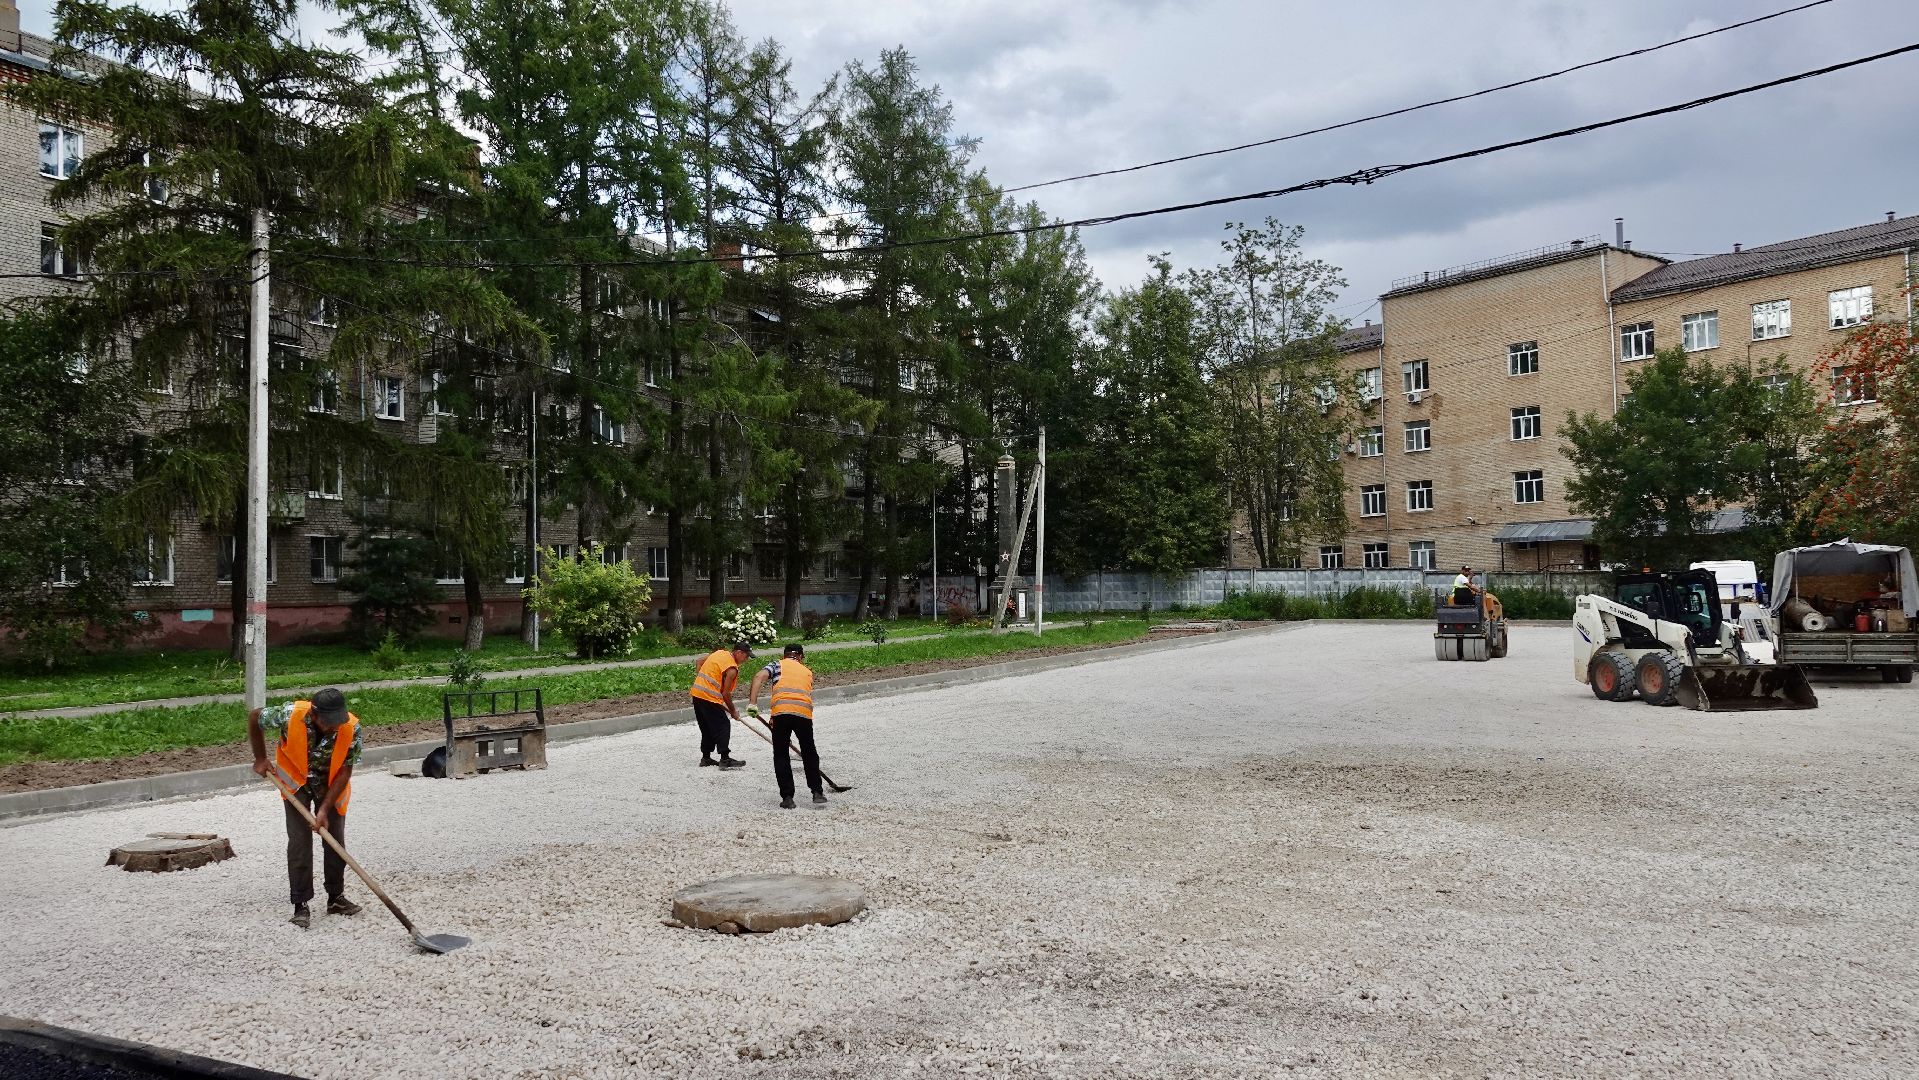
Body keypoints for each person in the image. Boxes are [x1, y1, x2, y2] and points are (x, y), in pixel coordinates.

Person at [247, 687, 364, 929]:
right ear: (314, 714)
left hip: (331, 784)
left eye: (338, 721)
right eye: (329, 722)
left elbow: (345, 770)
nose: (335, 727)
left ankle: (336, 898)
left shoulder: (351, 727)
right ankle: (300, 903)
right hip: (296, 782)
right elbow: (255, 717)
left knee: (335, 839)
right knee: (299, 841)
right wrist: (260, 758)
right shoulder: (290, 714)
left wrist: (324, 810)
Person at [746, 644, 825, 810]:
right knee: (809, 752)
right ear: (801, 657)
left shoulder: (777, 665)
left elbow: (758, 677)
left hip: (781, 714)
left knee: (781, 754)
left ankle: (787, 797)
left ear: (784, 655)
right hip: (803, 714)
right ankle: (817, 791)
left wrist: (753, 703)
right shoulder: (807, 671)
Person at [689, 642, 752, 769]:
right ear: (739, 652)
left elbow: (699, 661)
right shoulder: (732, 669)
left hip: (697, 694)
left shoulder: (720, 653)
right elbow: (726, 694)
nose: (746, 659)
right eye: (746, 656)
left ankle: (706, 758)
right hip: (709, 698)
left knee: (707, 727)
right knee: (723, 725)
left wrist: (703, 682)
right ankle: (725, 759)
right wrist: (733, 711)